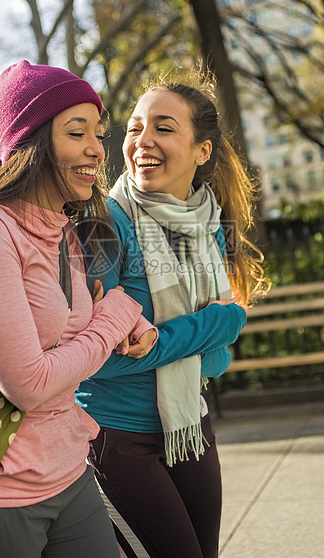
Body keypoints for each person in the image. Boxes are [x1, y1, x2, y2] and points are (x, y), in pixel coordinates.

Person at [0, 60, 157, 558]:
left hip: (69, 470)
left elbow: (82, 318)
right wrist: (118, 316)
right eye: (76, 131)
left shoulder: (63, 232)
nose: (95, 149)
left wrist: (131, 319)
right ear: (31, 144)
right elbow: (29, 384)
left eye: (98, 134)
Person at [76, 73, 267, 558]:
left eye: (163, 127)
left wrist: (174, 340)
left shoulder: (206, 222)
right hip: (116, 438)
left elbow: (220, 358)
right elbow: (102, 359)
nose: (143, 141)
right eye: (135, 128)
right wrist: (215, 325)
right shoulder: (105, 221)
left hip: (189, 427)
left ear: (202, 150)